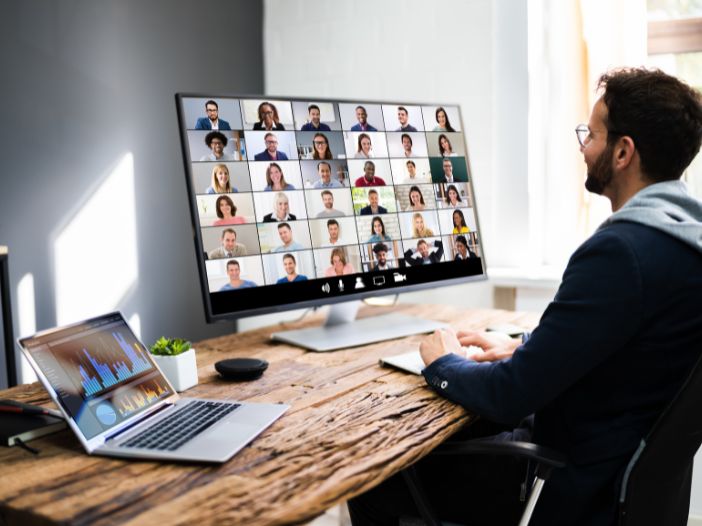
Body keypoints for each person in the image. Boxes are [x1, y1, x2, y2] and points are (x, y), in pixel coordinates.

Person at [349, 68, 702, 526]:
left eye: (590, 134)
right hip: (622, 477)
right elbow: (624, 344)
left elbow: (509, 395)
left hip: (574, 481)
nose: (582, 147)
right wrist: (525, 346)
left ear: (622, 152)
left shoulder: (623, 251)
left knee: (378, 475)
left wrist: (441, 363)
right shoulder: (682, 242)